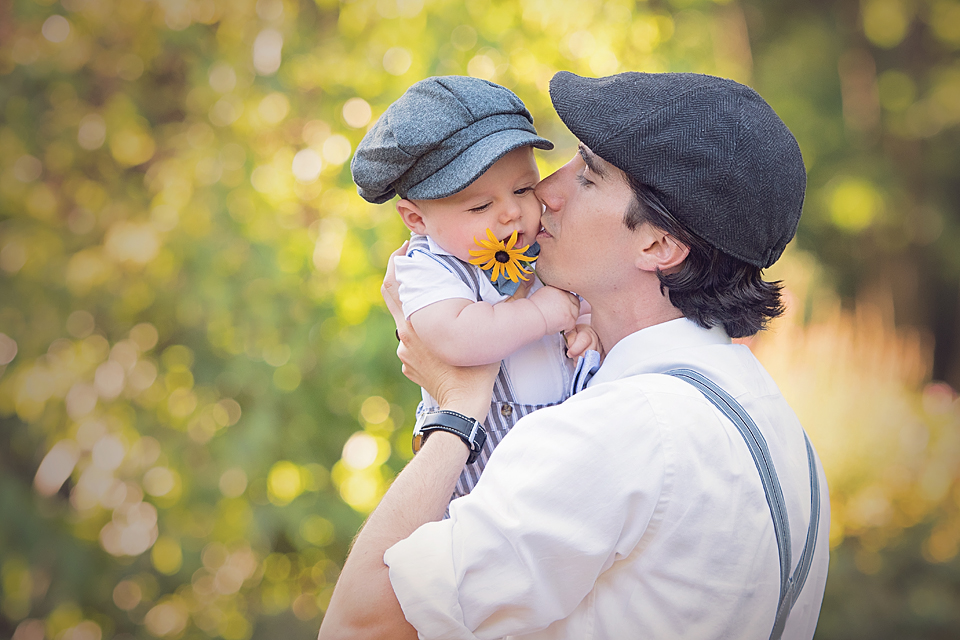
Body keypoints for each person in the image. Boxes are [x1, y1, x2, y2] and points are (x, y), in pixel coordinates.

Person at [319, 71, 831, 640]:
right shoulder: (780, 427)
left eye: (588, 174)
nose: (545, 192)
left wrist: (456, 413)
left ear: (658, 244)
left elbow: (356, 625)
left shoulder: (614, 432)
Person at [351, 76, 598, 503]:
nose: (512, 213)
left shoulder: (542, 245)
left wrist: (586, 329)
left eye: (523, 189)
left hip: (562, 458)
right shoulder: (427, 268)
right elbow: (457, 336)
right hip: (483, 476)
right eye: (480, 205)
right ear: (416, 220)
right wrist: (539, 315)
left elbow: (583, 300)